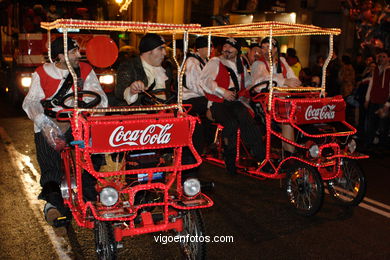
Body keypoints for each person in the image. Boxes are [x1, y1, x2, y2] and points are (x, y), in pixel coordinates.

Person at [22, 36, 108, 235]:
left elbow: (99, 95)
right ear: (60, 55)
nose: (79, 54)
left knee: (92, 155)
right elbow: (31, 102)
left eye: (78, 51)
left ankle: (90, 197)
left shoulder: (85, 70)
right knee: (49, 160)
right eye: (73, 51)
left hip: (78, 121)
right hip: (52, 123)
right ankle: (53, 206)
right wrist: (43, 123)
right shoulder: (42, 72)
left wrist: (91, 103)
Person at [200, 37, 265, 174]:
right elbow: (204, 80)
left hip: (234, 101)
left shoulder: (240, 63)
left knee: (246, 118)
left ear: (238, 51)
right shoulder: (215, 62)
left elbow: (246, 82)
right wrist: (222, 91)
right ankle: (230, 161)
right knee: (231, 124)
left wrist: (258, 85)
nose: (227, 49)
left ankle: (260, 156)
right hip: (218, 102)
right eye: (225, 46)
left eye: (231, 47)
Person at [251, 37, 301, 155]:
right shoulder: (258, 64)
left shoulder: (282, 61)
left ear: (275, 49)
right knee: (287, 121)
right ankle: (290, 156)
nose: (265, 51)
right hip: (265, 104)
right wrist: (284, 81)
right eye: (263, 48)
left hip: (283, 101)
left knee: (298, 117)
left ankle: (297, 150)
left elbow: (294, 79)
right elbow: (260, 81)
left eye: (268, 48)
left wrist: (289, 82)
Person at [114, 33, 174, 106]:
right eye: (161, 48)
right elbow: (120, 91)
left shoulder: (166, 69)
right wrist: (132, 91)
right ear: (148, 51)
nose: (164, 53)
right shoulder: (129, 66)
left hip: (164, 114)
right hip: (138, 114)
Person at [364, 50, 390, 148]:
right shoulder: (376, 70)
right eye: (380, 56)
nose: (381, 59)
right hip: (374, 100)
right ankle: (369, 144)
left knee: (383, 126)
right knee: (371, 124)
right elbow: (371, 84)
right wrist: (367, 98)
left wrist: (388, 104)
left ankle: (382, 147)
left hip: (384, 102)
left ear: (388, 58)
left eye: (384, 56)